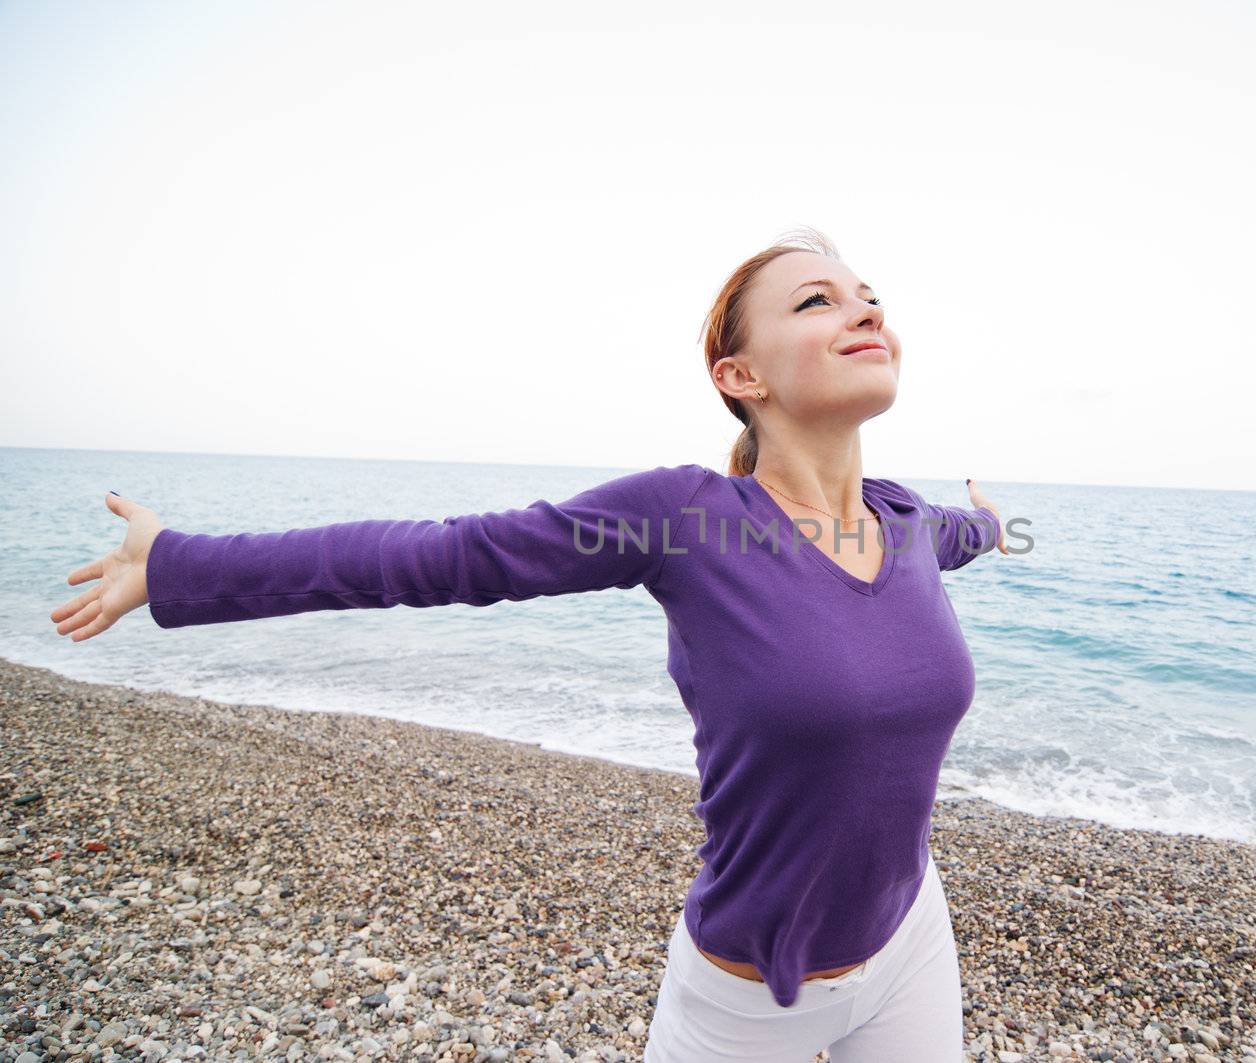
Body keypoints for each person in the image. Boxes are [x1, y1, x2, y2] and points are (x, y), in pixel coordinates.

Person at [49, 227, 1007, 1062]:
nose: (864, 310)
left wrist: (990, 520)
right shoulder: (681, 519)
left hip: (911, 940)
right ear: (740, 376)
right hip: (745, 993)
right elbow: (439, 558)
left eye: (870, 298)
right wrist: (179, 566)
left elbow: (962, 539)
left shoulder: (911, 522)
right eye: (817, 300)